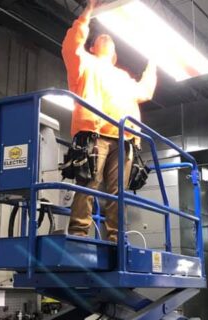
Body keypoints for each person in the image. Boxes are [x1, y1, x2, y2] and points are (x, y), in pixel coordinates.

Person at [61, 0, 157, 242]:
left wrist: (153, 61)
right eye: (99, 38)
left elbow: (145, 91)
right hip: (94, 135)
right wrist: (87, 13)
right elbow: (70, 46)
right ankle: (79, 235)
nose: (105, 38)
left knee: (118, 193)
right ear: (92, 48)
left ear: (114, 56)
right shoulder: (84, 64)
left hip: (124, 139)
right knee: (89, 185)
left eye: (110, 41)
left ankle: (116, 240)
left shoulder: (123, 77)